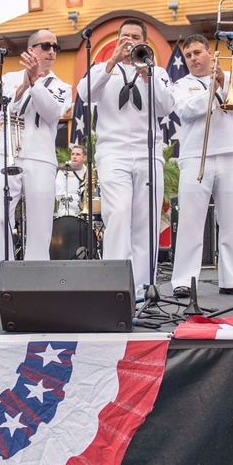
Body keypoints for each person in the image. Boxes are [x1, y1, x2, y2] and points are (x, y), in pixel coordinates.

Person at [76, 18, 175, 292]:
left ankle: (144, 288)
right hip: (113, 151)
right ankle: (115, 286)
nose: (130, 41)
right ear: (117, 40)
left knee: (146, 220)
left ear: (144, 41)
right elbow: (84, 94)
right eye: (125, 36)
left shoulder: (158, 72)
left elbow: (167, 107)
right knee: (117, 213)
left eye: (135, 36)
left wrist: (148, 75)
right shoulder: (101, 69)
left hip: (147, 151)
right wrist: (110, 64)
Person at [169, 34, 233, 297]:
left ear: (210, 54)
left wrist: (223, 79)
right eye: (188, 54)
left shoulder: (230, 76)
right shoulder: (181, 84)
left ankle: (232, 279)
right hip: (195, 157)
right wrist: (213, 90)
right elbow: (186, 110)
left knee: (230, 222)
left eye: (197, 52)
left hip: (229, 153)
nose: (193, 58)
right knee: (191, 222)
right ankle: (183, 280)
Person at [0, 29, 72, 268]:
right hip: (8, 154)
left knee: (39, 225)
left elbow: (52, 112)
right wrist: (23, 86)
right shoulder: (10, 77)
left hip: (41, 158)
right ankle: (7, 271)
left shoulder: (62, 86)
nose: (51, 51)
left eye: (56, 47)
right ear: (31, 50)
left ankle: (36, 280)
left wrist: (35, 83)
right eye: (45, 46)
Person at [55, 145, 88, 217]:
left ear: (84, 158)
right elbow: (59, 193)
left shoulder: (88, 172)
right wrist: (78, 201)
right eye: (72, 154)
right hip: (67, 210)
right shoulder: (63, 170)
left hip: (86, 211)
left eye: (78, 154)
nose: (74, 156)